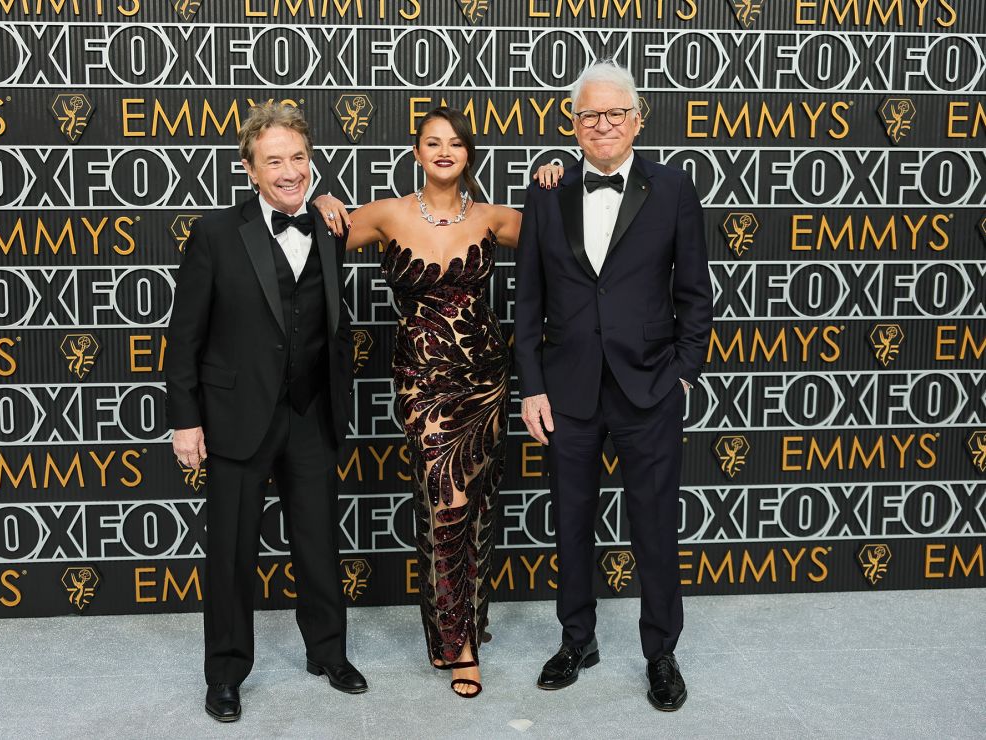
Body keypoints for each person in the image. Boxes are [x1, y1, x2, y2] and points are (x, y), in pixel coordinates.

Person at [515, 60, 712, 711]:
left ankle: (660, 653)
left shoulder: (675, 188)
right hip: (567, 391)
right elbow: (527, 300)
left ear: (637, 118)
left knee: (654, 527)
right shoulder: (545, 190)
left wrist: (682, 372)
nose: (602, 124)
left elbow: (694, 294)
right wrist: (533, 386)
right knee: (570, 524)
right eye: (589, 114)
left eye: (615, 113)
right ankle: (578, 639)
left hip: (649, 387)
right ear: (573, 124)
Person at [313, 107, 529, 699]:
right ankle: (461, 647)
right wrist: (323, 199)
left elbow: (568, 234)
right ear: (416, 152)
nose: (443, 151)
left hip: (485, 380)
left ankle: (454, 630)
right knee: (445, 503)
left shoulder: (493, 217)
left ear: (468, 155)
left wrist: (557, 174)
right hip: (422, 381)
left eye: (455, 143)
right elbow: (306, 241)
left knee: (476, 508)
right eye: (433, 142)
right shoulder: (387, 214)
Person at [165, 102, 367, 723]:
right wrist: (186, 419)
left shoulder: (333, 225)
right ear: (250, 169)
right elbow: (184, 337)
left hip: (310, 411)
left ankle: (327, 652)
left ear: (313, 162)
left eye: (299, 158)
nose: (289, 170)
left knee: (318, 543)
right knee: (229, 554)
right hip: (234, 417)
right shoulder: (216, 233)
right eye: (274, 160)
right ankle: (225, 674)